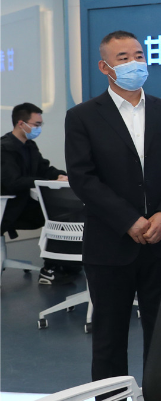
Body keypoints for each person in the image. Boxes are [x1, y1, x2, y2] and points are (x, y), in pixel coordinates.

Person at [65, 31, 161, 401]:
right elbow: (83, 178)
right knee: (109, 335)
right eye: (123, 58)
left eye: (139, 55)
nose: (135, 63)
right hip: (110, 243)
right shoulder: (83, 116)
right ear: (105, 67)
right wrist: (128, 220)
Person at [1, 102, 78, 284]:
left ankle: (65, 264)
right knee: (56, 216)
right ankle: (50, 268)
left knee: (65, 214)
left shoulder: (30, 146)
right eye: (36, 124)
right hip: (8, 208)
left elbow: (44, 168)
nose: (39, 128)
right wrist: (47, 181)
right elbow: (13, 183)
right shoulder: (4, 149)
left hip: (23, 204)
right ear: (21, 123)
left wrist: (62, 176)